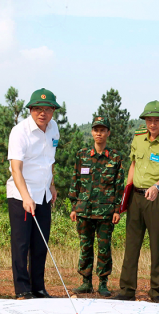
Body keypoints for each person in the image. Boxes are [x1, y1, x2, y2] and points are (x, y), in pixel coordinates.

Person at [113, 101, 159, 303]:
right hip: (136, 196)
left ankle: (156, 290)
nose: (153, 124)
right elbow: (133, 165)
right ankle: (127, 289)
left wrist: (157, 186)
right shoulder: (138, 138)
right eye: (149, 120)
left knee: (157, 244)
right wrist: (126, 192)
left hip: (156, 197)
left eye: (157, 120)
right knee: (132, 243)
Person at [6, 88, 60, 300]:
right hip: (22, 196)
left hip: (44, 194)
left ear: (53, 111)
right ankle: (22, 289)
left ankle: (38, 287)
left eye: (47, 109)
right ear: (30, 110)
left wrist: (52, 185)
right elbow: (16, 169)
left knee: (40, 243)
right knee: (21, 244)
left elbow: (49, 161)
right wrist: (26, 197)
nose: (42, 113)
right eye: (37, 108)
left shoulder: (54, 128)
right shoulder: (20, 132)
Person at [68, 116, 125, 297]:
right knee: (85, 246)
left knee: (104, 247)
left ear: (108, 132)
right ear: (92, 132)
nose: (99, 133)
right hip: (84, 210)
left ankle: (103, 283)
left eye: (102, 130)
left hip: (106, 212)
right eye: (96, 130)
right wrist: (73, 207)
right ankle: (85, 282)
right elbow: (75, 181)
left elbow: (119, 186)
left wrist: (117, 210)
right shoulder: (82, 155)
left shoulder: (115, 158)